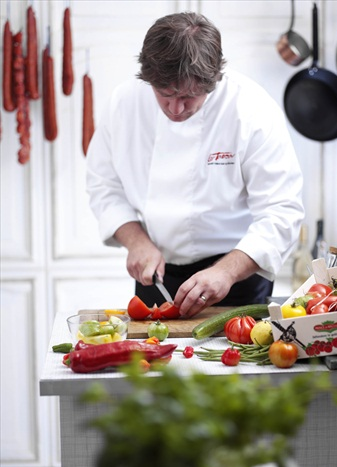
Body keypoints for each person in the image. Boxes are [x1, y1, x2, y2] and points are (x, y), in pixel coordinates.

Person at [86, 12, 304, 318]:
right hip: (155, 273)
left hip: (236, 276)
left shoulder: (251, 109)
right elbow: (103, 184)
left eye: (188, 96)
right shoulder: (123, 103)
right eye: (164, 94)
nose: (175, 109)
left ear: (213, 80)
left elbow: (282, 210)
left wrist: (226, 272)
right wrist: (136, 242)